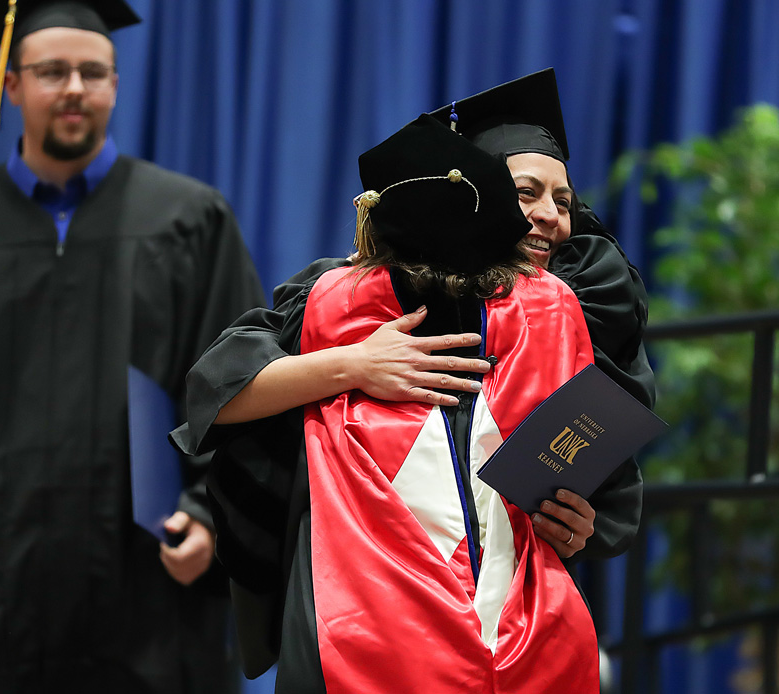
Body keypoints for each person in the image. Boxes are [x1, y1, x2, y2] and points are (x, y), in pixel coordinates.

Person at [0, 1, 264, 692]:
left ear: (115, 85)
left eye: (93, 73)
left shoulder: (189, 222)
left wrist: (209, 515)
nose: (74, 89)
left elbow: (243, 387)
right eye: (52, 71)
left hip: (143, 589)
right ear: (12, 85)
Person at [171, 69, 653, 682]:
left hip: (511, 624)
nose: (549, 216)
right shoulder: (349, 295)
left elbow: (595, 496)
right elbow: (216, 394)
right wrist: (354, 364)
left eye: (564, 202)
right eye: (526, 192)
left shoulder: (561, 314)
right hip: (359, 615)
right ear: (470, 190)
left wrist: (575, 523)